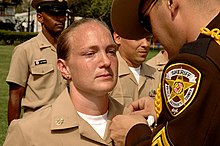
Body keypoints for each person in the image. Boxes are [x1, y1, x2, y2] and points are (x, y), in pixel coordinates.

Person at [110, 0, 220, 145]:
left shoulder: (196, 63)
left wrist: (134, 133)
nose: (153, 37)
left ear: (171, 2)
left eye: (148, 22)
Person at [3, 18, 127, 146]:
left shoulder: (134, 122)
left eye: (111, 51)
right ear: (64, 68)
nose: (106, 61)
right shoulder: (29, 132)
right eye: (90, 53)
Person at [6, 0, 68, 125]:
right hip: (36, 124)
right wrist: (15, 133)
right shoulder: (25, 50)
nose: (60, 19)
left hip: (66, 121)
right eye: (54, 14)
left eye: (62, 14)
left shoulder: (70, 50)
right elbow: (15, 96)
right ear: (40, 18)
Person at [110, 32, 161, 108]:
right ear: (118, 38)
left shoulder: (157, 76)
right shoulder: (107, 74)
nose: (146, 44)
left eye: (148, 39)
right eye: (137, 38)